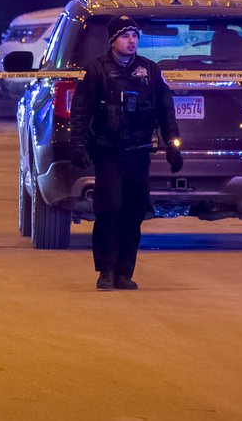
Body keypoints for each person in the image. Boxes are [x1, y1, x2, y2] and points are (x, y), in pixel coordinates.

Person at [69, 15, 182, 291]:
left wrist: (172, 144)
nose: (131, 41)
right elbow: (81, 111)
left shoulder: (150, 71)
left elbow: (165, 110)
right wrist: (78, 144)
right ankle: (106, 270)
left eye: (134, 35)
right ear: (112, 40)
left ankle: (124, 272)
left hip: (138, 153)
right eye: (124, 36)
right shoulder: (96, 71)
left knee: (133, 212)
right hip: (108, 152)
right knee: (110, 208)